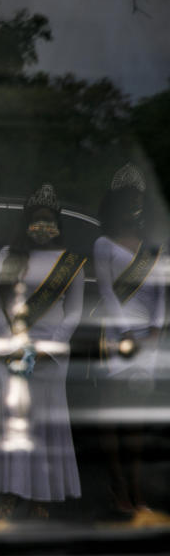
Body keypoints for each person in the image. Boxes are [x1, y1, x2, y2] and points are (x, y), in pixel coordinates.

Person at [0, 183, 85, 520]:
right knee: (14, 423)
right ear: (26, 222)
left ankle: (42, 494)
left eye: (49, 220)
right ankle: (12, 492)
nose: (43, 227)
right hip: (11, 350)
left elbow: (73, 313)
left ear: (58, 224)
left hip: (52, 355)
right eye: (37, 220)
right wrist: (12, 342)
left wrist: (49, 347)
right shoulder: (6, 256)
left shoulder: (70, 262)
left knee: (44, 425)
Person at [93, 163, 164, 518]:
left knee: (136, 422)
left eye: (139, 200)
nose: (134, 206)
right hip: (117, 337)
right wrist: (124, 331)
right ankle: (117, 485)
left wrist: (156, 328)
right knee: (112, 417)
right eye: (128, 200)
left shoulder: (153, 248)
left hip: (148, 343)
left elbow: (161, 294)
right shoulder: (102, 244)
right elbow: (106, 292)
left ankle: (138, 492)